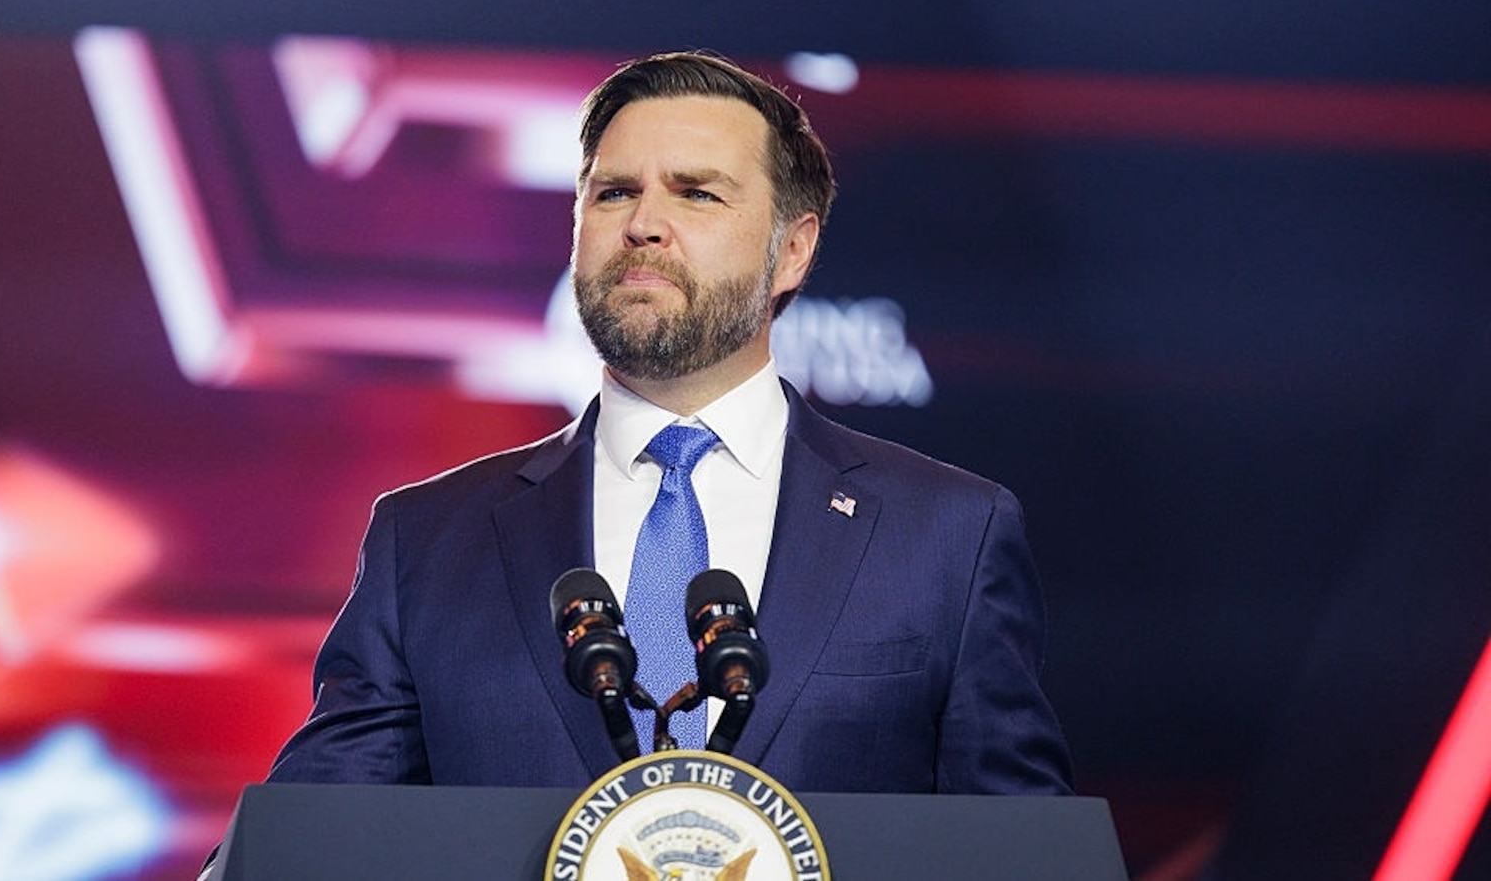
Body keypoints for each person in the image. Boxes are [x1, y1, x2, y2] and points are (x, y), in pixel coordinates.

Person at [254, 51, 1071, 799]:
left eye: (696, 193)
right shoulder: (426, 542)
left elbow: (1023, 848)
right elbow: (302, 842)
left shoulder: (948, 538)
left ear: (792, 251)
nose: (643, 223)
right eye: (614, 192)